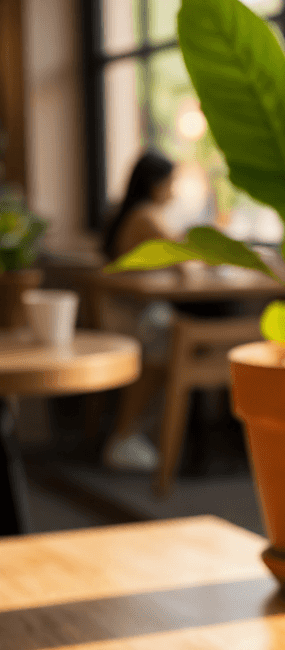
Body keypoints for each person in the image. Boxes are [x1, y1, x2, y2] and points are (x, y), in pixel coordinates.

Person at [101, 151, 178, 473]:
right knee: (169, 335)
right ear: (156, 184)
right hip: (133, 314)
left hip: (127, 308)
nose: (174, 191)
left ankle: (135, 434)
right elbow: (183, 255)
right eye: (171, 183)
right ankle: (126, 434)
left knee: (172, 329)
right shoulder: (145, 217)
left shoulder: (130, 213)